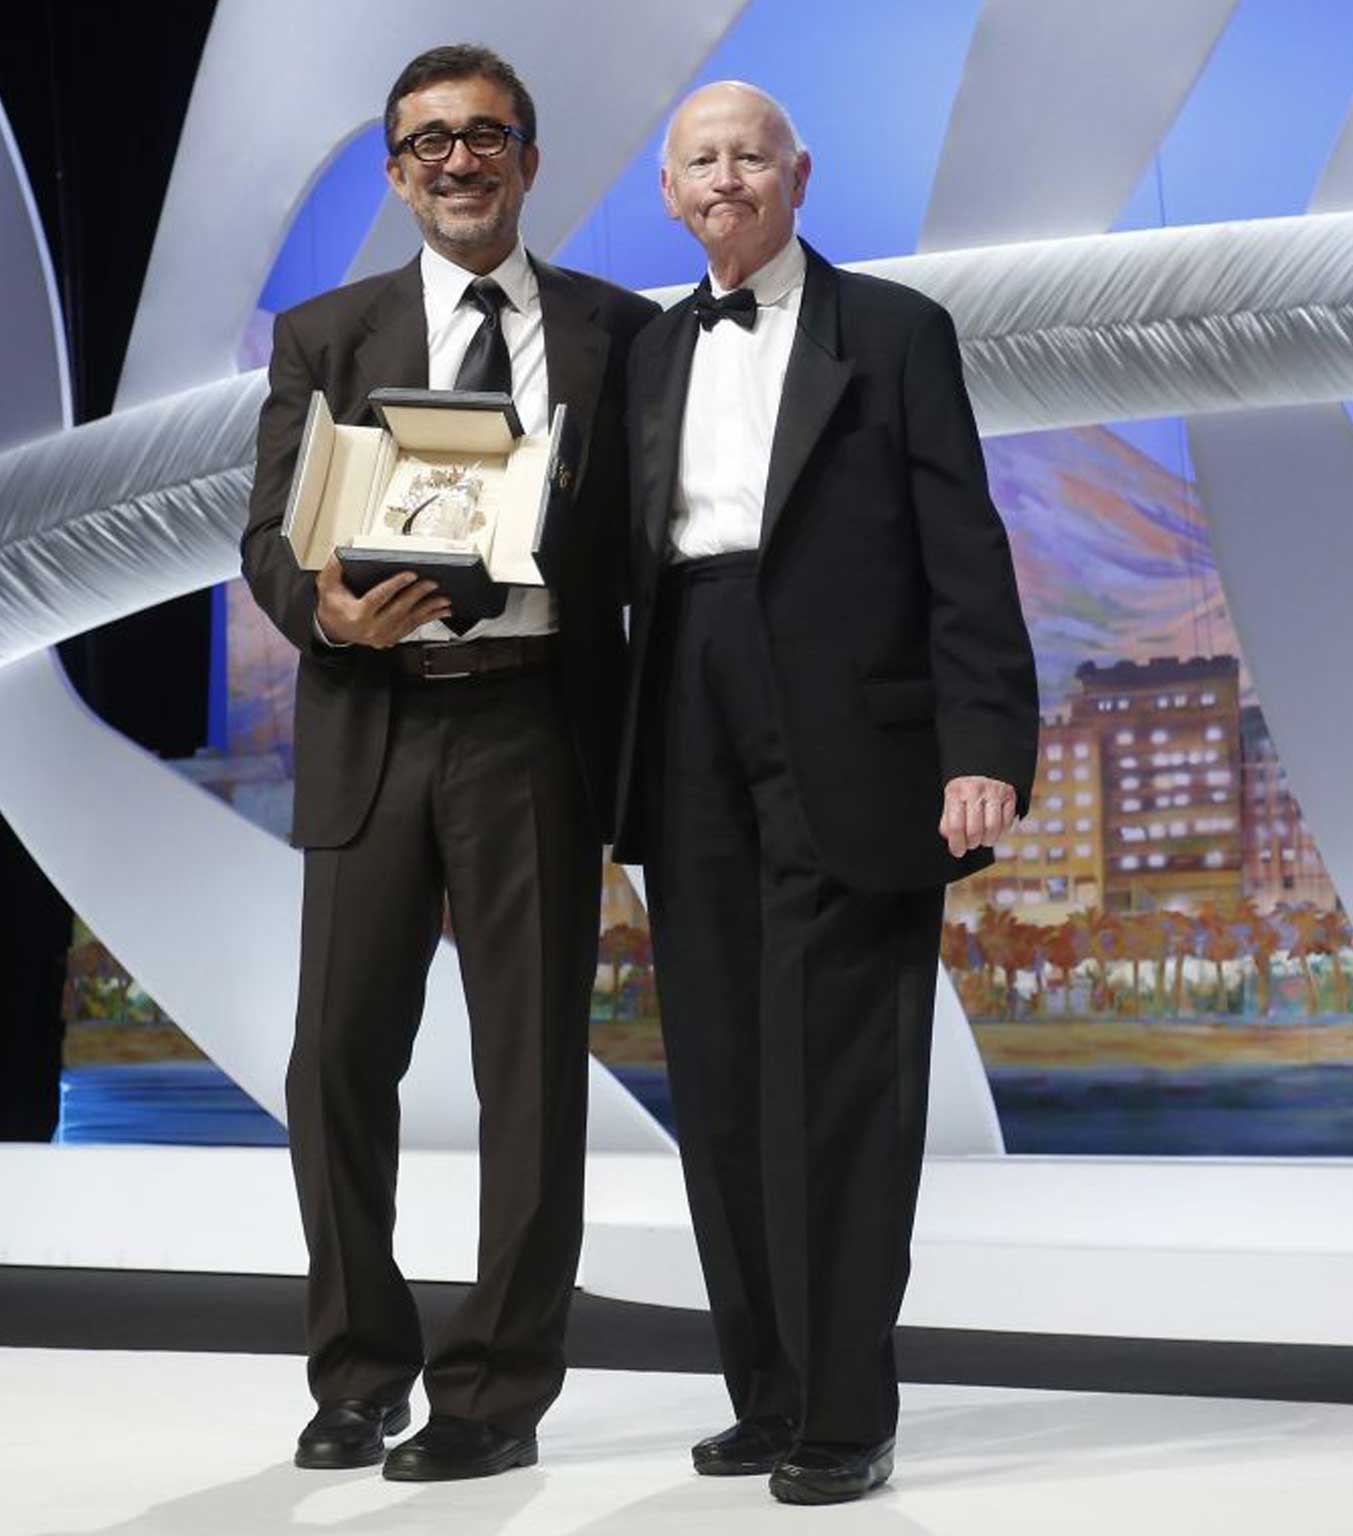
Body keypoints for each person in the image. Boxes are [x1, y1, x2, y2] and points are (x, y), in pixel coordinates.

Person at [610, 81, 1039, 1506]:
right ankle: (766, 1392)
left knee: (842, 1086)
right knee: (722, 1074)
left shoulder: (898, 333)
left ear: (799, 174)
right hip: (686, 712)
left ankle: (846, 1410)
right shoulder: (647, 353)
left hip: (858, 739)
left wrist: (983, 746)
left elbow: (964, 553)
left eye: (748, 155)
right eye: (699, 162)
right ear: (670, 194)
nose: (725, 179)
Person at [241, 44, 657, 1482]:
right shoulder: (327, 335)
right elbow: (268, 536)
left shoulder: (622, 333)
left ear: (530, 162)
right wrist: (326, 606)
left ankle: (494, 1394)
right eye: (427, 143)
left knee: (528, 1080)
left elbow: (654, 555)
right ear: (395, 172)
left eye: (486, 137)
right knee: (333, 1068)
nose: (458, 161)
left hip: (535, 727)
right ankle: (358, 1372)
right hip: (374, 723)